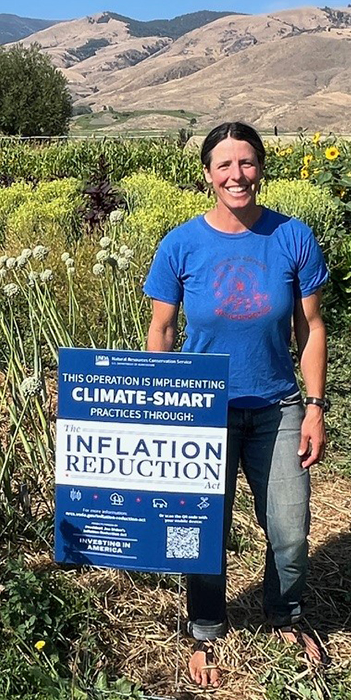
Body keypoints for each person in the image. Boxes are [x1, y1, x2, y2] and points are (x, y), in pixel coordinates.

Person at [143, 122, 329, 688]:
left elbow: (312, 326)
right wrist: (163, 408)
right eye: (224, 165)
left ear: (261, 168)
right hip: (202, 412)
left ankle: (286, 617)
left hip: (278, 408)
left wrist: (316, 406)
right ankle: (203, 630)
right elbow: (162, 330)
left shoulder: (293, 237)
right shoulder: (180, 245)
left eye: (246, 163)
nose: (236, 175)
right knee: (201, 529)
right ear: (207, 175)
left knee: (291, 529)